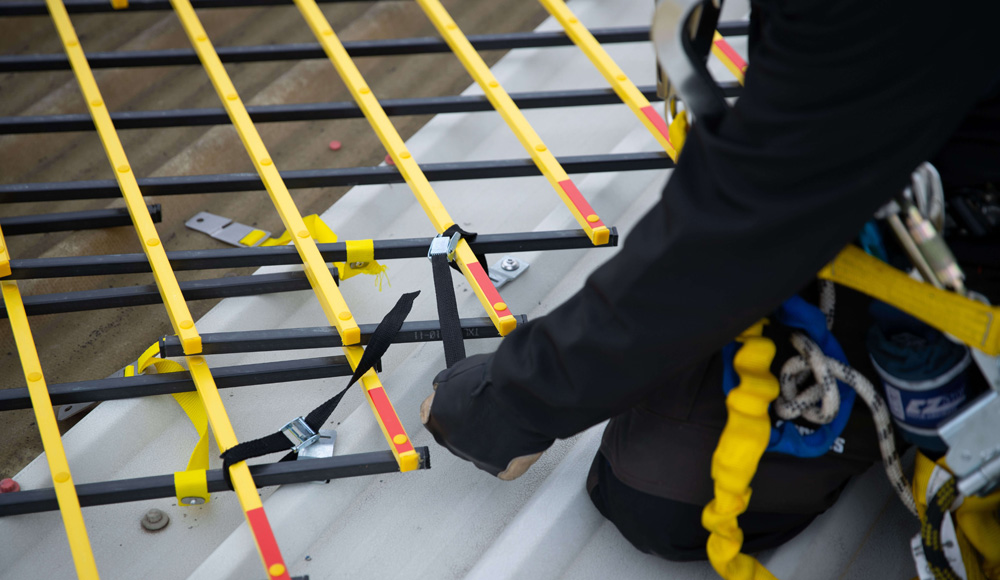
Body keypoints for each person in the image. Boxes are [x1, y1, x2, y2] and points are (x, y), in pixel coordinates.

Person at [420, 0, 1000, 561]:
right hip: (886, 201)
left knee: (662, 493)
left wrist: (515, 398)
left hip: (958, 273)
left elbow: (748, 211)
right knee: (657, 475)